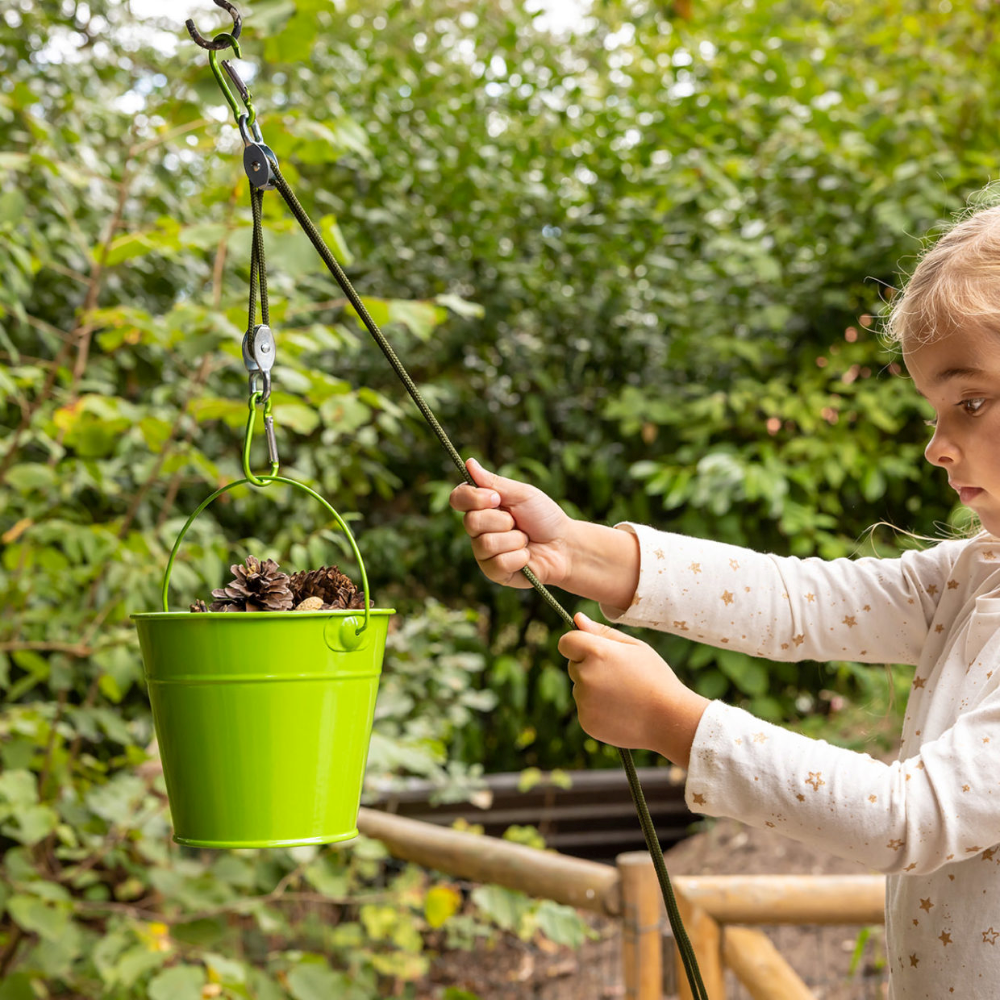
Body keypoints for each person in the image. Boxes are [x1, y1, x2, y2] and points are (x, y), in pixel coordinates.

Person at [449, 205, 1000, 998]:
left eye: (970, 402)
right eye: (935, 411)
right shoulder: (977, 574)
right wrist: (579, 551)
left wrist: (675, 722)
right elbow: (798, 600)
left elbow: (908, 817)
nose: (936, 445)